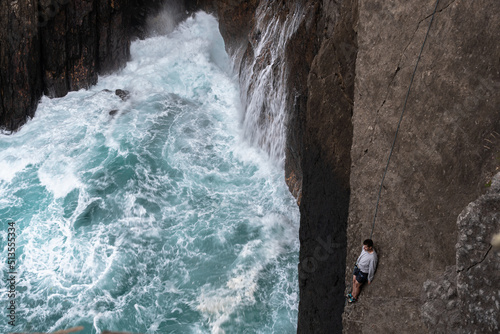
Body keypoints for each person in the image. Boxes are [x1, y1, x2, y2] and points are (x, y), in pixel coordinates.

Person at [348, 239, 378, 303]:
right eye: (364, 246)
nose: (364, 248)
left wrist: (370, 278)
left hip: (363, 271)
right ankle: (353, 294)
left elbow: (372, 268)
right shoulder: (364, 249)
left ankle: (355, 297)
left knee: (357, 284)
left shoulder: (373, 257)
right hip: (358, 266)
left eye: (366, 247)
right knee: (354, 280)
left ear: (370, 247)